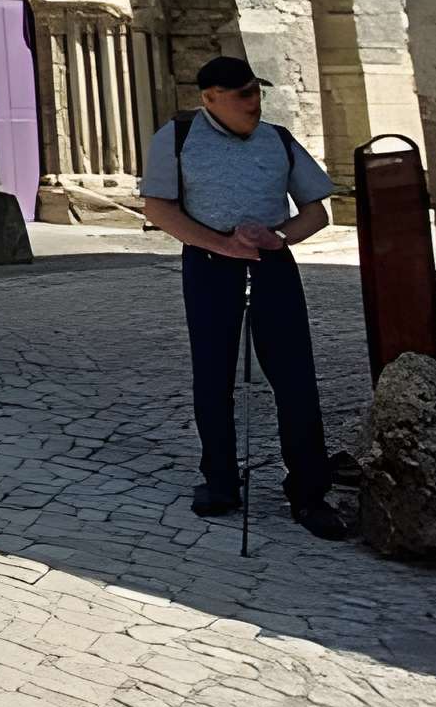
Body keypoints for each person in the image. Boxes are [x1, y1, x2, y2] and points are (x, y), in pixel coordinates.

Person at [139, 56, 353, 540]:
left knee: (295, 378)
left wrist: (280, 238)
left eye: (257, 92)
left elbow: (318, 212)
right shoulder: (174, 137)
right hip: (210, 267)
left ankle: (309, 492)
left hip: (272, 266)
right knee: (213, 377)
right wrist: (223, 245)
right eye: (242, 95)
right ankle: (219, 483)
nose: (254, 103)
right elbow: (158, 208)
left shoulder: (277, 138)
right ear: (210, 98)